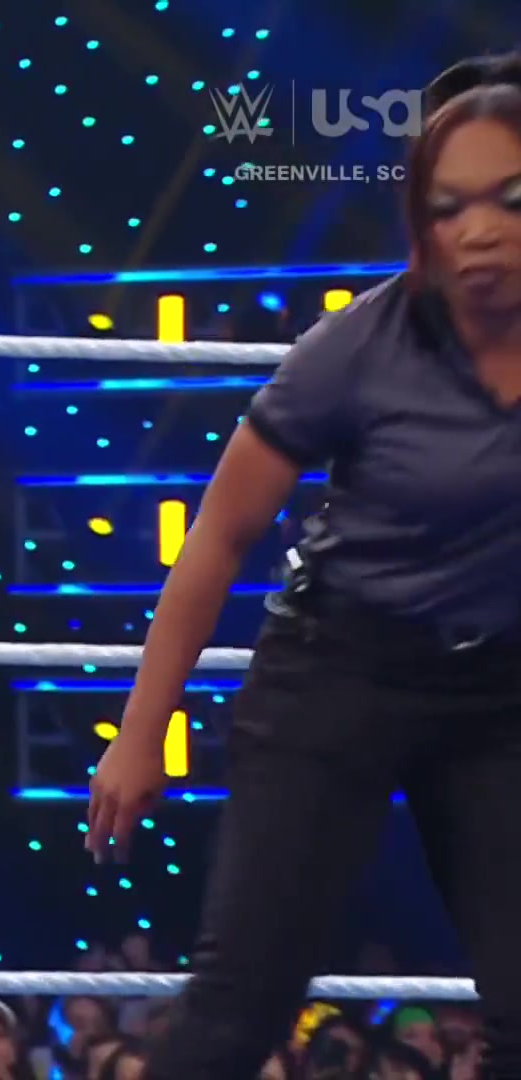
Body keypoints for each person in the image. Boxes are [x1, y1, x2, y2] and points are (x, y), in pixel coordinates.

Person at [85, 54, 521, 1079]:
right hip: (337, 674)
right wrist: (140, 735)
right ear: (421, 225)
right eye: (451, 205)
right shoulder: (357, 347)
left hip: (500, 692)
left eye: (510, 197)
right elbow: (217, 536)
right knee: (237, 1009)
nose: (481, 229)